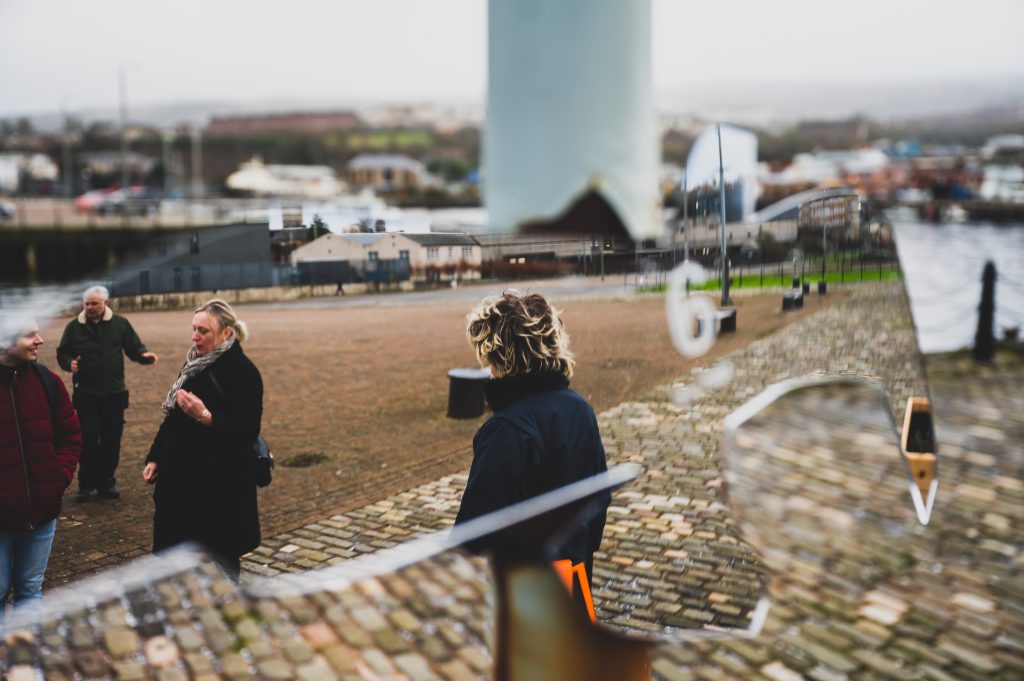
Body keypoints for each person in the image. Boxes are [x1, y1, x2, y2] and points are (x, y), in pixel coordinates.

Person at [455, 290, 609, 583]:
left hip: (524, 592)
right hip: (572, 580)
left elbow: (473, 537)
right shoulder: (580, 410)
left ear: (499, 357)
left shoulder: (507, 430)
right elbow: (597, 506)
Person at [143, 299, 262, 579]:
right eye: (193, 329)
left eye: (203, 331)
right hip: (180, 483)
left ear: (226, 334)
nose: (195, 336)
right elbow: (172, 417)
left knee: (220, 563)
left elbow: (248, 429)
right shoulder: (194, 364)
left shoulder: (244, 372)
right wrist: (155, 456)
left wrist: (206, 416)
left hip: (219, 489)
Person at [0, 319, 81, 618]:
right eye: (29, 335)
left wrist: (56, 479)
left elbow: (71, 435)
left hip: (43, 513)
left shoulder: (47, 381)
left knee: (30, 588)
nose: (40, 340)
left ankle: (24, 655)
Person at [57, 286, 158, 501]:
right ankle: (85, 484)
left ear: (106, 303)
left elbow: (133, 347)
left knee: (112, 441)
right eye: (87, 303)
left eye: (94, 303)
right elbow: (63, 351)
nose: (90, 307)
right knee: (88, 441)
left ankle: (105, 483)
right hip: (86, 394)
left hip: (114, 393)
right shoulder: (74, 327)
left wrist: (144, 355)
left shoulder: (119, 323)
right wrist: (69, 363)